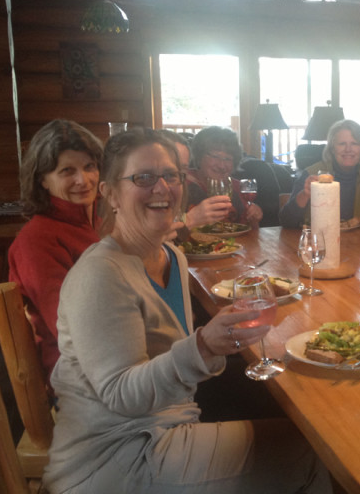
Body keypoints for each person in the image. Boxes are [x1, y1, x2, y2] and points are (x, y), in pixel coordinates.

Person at [44, 128, 330, 493]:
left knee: (295, 413)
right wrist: (205, 346)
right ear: (110, 193)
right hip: (119, 455)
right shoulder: (100, 274)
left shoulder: (173, 257)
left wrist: (214, 345)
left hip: (171, 420)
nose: (162, 187)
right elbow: (122, 395)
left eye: (171, 175)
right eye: (143, 177)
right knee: (311, 450)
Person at [7, 119, 103, 391]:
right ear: (43, 180)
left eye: (89, 167)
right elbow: (70, 328)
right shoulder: (36, 240)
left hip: (111, 355)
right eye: (67, 171)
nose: (83, 181)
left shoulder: (97, 222)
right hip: (78, 378)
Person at [280, 119, 360, 229]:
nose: (348, 149)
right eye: (342, 144)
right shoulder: (311, 174)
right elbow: (286, 221)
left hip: (354, 248)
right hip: (314, 246)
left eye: (354, 144)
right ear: (332, 148)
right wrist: (305, 194)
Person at [187, 126, 263, 228]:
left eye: (228, 159)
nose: (222, 165)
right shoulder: (181, 183)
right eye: (215, 156)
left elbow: (251, 230)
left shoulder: (240, 186)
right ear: (199, 156)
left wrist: (255, 216)